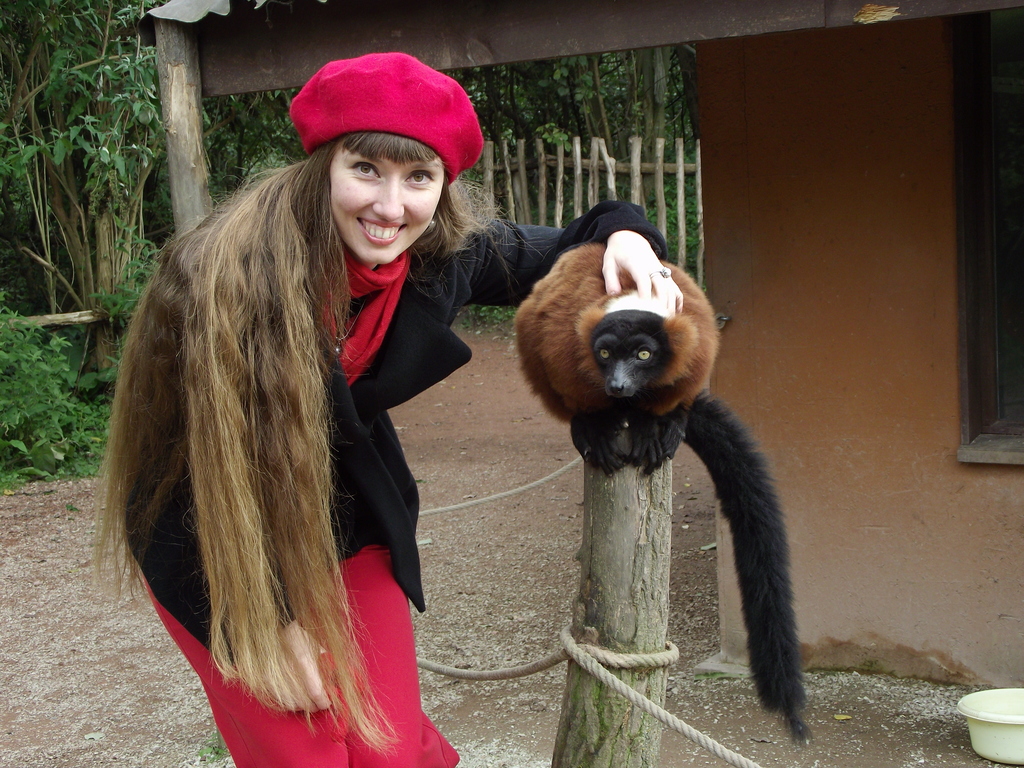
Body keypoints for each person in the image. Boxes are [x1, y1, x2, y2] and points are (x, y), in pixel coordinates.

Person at [96, 52, 682, 768]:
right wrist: (269, 627)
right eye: (365, 169)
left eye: (419, 177)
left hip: (349, 517)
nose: (389, 206)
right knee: (304, 752)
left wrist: (628, 234)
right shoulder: (218, 277)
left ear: (443, 187)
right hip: (213, 543)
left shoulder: (441, 254)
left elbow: (572, 240)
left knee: (387, 751)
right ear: (323, 166)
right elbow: (173, 487)